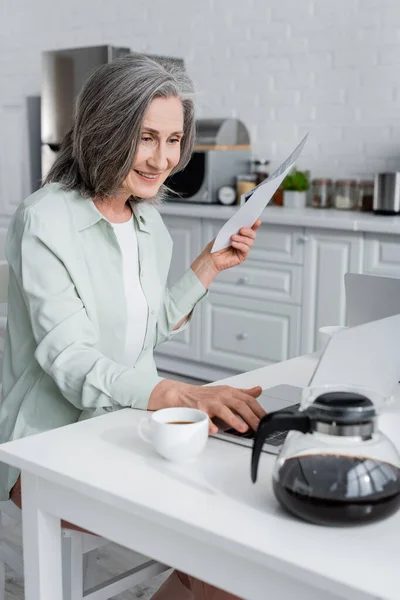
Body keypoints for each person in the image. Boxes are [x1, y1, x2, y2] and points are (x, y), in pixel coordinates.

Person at [0, 53, 263, 599]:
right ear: (107, 129)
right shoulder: (44, 219)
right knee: (217, 550)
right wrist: (179, 393)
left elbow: (147, 330)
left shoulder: (148, 220)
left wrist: (210, 264)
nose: (162, 159)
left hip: (126, 428)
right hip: (51, 446)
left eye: (173, 140)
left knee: (239, 543)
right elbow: (71, 360)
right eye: (146, 137)